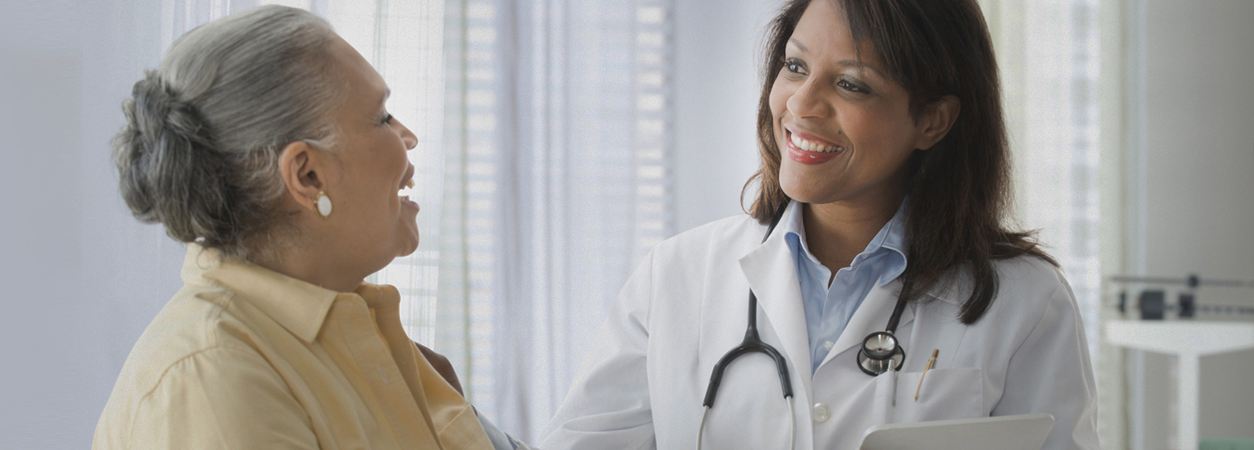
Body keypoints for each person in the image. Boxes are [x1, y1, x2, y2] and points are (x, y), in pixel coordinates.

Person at [538, 0, 1098, 449]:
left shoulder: (1025, 303)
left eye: (851, 84)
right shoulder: (679, 274)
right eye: (795, 66)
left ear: (933, 120)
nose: (801, 105)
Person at [91, 6, 517, 449]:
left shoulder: (359, 337)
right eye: (381, 117)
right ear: (308, 176)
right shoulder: (217, 378)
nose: (408, 136)